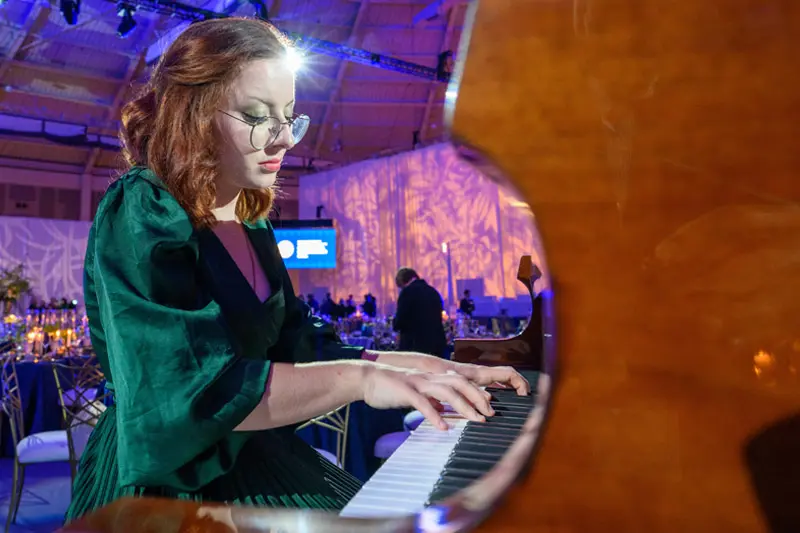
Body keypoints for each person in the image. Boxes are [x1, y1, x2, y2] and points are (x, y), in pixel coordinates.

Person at [65, 18, 528, 521]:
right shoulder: (142, 207)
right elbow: (186, 395)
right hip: (175, 481)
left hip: (255, 456)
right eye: (257, 116)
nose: (284, 139)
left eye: (289, 117)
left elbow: (302, 350)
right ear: (191, 114)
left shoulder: (251, 221)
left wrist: (439, 368)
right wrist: (363, 380)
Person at [392, 267, 448, 357]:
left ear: (402, 282)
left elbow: (400, 321)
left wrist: (394, 322)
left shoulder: (407, 292)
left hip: (415, 347)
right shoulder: (433, 291)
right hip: (436, 345)